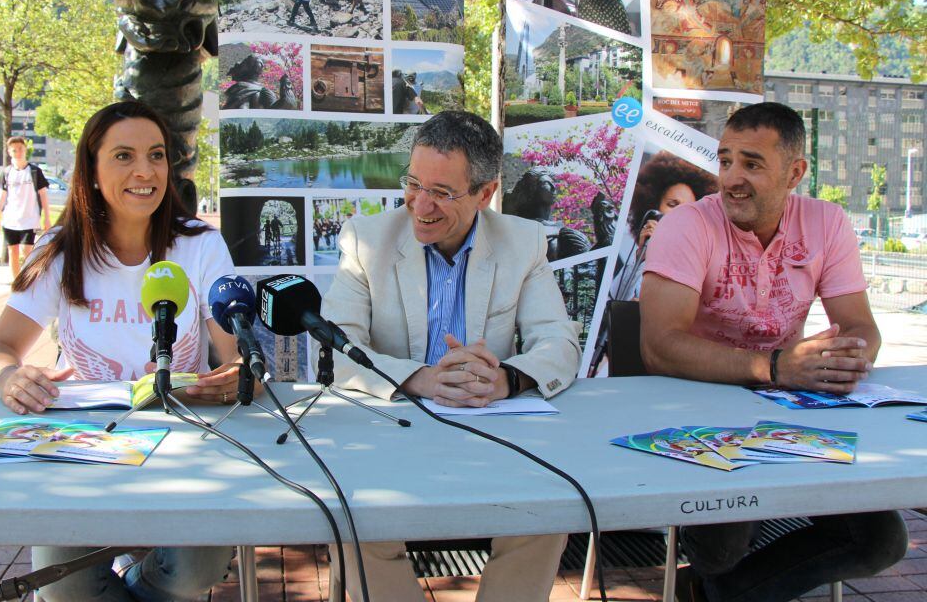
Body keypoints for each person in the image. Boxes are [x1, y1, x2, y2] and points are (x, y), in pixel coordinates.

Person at [0, 100, 253, 602]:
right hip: (84, 445)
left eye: (156, 155)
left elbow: (234, 354)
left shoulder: (201, 246)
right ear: (92, 167)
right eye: (123, 156)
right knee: (64, 589)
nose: (144, 171)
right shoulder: (58, 249)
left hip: (183, 442)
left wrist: (237, 374)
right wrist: (7, 378)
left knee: (196, 571)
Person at [639, 102, 908, 601]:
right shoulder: (687, 226)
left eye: (752, 163)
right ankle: (716, 583)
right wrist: (776, 366)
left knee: (882, 542)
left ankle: (712, 594)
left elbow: (859, 326)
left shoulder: (827, 223)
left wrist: (845, 357)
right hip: (698, 414)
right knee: (724, 548)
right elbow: (660, 348)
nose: (731, 179)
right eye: (725, 161)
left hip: (790, 412)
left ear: (796, 172)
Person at [321, 110, 581, 602]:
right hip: (390, 433)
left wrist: (506, 377)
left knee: (550, 512)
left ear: (485, 193)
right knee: (352, 515)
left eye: (442, 192)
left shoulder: (523, 242)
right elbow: (335, 347)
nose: (421, 205)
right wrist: (420, 378)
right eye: (414, 183)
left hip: (493, 431)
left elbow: (559, 342)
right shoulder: (366, 238)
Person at [612, 151, 717, 300]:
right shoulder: (641, 253)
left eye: (689, 209)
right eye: (672, 204)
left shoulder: (698, 264)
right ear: (655, 207)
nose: (680, 213)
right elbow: (615, 299)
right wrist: (642, 256)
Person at [0, 136, 51, 279]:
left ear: (25, 150)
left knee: (27, 251)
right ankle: (16, 282)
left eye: (20, 149)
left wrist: (47, 219)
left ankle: (29, 280)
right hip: (10, 220)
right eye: (14, 150)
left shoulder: (35, 172)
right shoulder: (6, 173)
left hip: (29, 219)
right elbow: (2, 196)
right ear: (9, 152)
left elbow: (43, 195)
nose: (17, 152)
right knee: (13, 251)